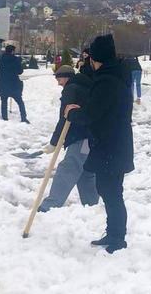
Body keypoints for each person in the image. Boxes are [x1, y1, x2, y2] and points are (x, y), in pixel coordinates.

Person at [65, 34, 134, 254]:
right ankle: (113, 232)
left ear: (98, 59)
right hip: (114, 142)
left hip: (111, 145)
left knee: (112, 192)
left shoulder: (107, 82)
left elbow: (92, 114)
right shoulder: (115, 76)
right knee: (108, 189)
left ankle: (118, 238)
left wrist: (73, 113)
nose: (90, 64)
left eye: (92, 59)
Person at [38, 64, 98, 212]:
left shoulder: (71, 89)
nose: (58, 82)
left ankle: (50, 205)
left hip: (81, 136)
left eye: (59, 78)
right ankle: (92, 206)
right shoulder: (83, 86)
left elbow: (64, 118)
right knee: (85, 171)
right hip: (90, 135)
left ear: (66, 77)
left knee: (68, 168)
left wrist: (54, 142)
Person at [0, 44, 28, 122]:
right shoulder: (16, 60)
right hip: (13, 84)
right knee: (20, 101)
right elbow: (20, 72)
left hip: (3, 84)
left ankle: (4, 117)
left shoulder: (1, 59)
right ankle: (23, 117)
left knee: (4, 101)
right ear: (12, 51)